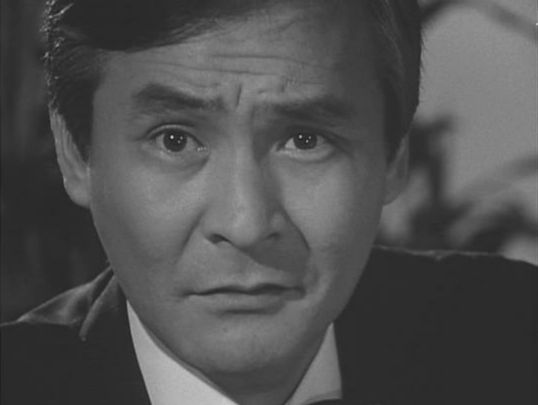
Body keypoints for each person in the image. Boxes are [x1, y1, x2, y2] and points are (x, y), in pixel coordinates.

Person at [1, 0, 536, 404]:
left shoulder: (513, 338)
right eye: (175, 140)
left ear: (393, 155)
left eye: (305, 140)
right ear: (76, 154)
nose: (246, 223)